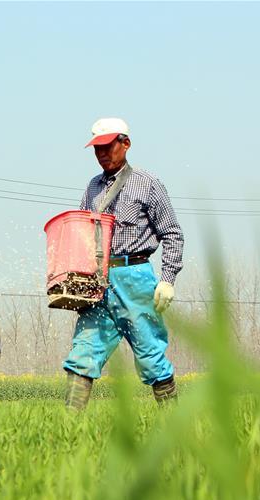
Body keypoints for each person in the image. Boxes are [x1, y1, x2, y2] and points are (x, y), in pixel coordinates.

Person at [63, 117, 184, 408]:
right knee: (83, 352)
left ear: (125, 143)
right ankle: (67, 428)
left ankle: (174, 423)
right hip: (99, 281)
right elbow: (81, 233)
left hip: (136, 276)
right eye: (97, 149)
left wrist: (167, 278)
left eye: (107, 147)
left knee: (150, 354)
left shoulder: (148, 183)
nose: (102, 154)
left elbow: (172, 234)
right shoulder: (92, 187)